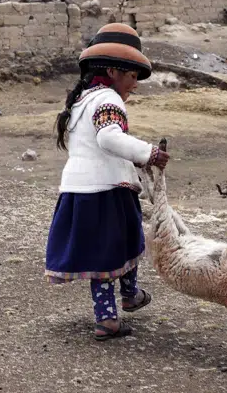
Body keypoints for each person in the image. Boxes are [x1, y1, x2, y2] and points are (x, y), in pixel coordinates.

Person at [44, 23, 170, 341]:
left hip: (77, 190)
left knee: (107, 254)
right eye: (131, 77)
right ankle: (123, 302)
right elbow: (109, 138)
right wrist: (149, 153)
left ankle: (110, 313)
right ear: (114, 71)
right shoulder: (108, 101)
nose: (135, 86)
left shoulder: (80, 101)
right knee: (125, 245)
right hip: (107, 190)